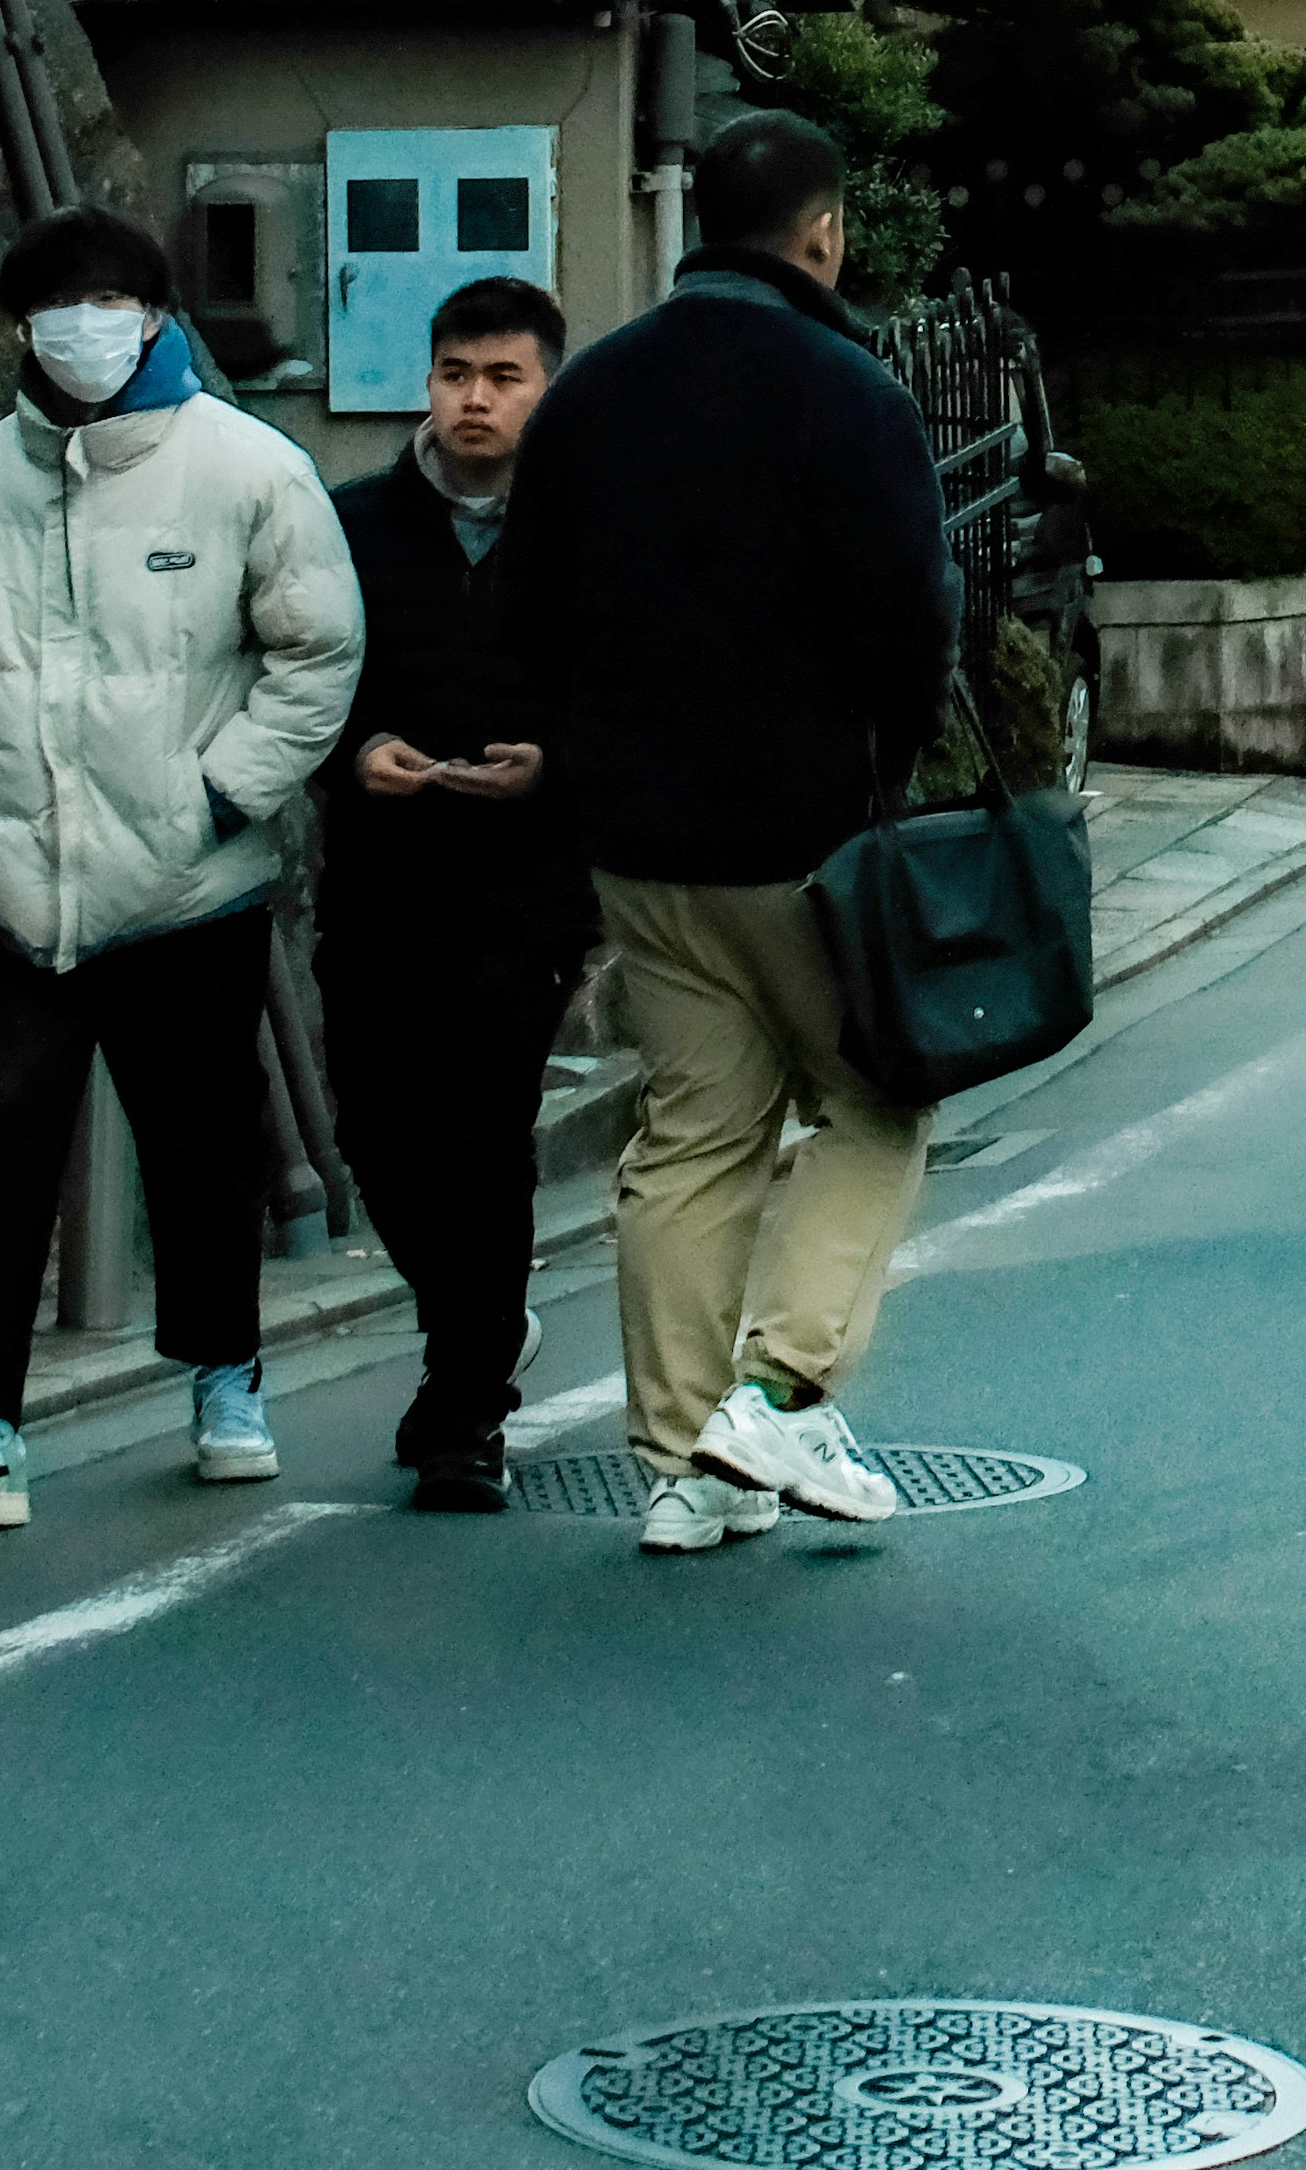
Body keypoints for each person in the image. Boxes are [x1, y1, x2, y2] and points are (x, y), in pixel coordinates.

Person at [498, 109, 957, 1560]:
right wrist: (888, 764)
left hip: (636, 839)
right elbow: (913, 619)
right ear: (822, 233)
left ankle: (683, 1468)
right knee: (877, 1101)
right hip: (802, 830)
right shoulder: (846, 388)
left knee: (692, 1133)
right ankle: (775, 1389)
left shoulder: (589, 396)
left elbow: (521, 610)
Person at [0, 208, 360, 1539]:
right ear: (14, 327)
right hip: (15, 878)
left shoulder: (249, 471)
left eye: (110, 302)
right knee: (4, 1141)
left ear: (153, 318)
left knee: (200, 1141)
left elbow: (315, 655)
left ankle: (225, 1371)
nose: (84, 327)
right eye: (55, 305)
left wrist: (224, 793)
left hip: (186, 886)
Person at [316, 274, 592, 1513]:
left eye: (504, 376)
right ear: (424, 383)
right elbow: (296, 677)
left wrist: (555, 765)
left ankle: (465, 1406)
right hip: (379, 880)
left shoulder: (587, 529)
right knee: (376, 1130)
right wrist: (355, 751)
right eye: (455, 375)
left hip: (524, 891)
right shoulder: (352, 523)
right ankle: (474, 1328)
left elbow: (631, 689)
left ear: (547, 387)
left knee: (484, 1138)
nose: (475, 400)